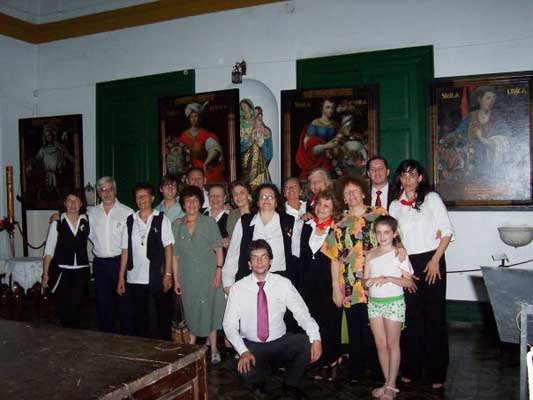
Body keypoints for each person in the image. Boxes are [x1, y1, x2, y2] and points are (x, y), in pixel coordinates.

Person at [223, 239, 322, 399]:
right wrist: (243, 351)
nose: (259, 261)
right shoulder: (238, 288)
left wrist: (316, 337)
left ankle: (291, 384)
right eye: (254, 257)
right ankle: (262, 377)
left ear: (270, 261)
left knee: (305, 342)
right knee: (247, 372)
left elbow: (302, 313)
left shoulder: (283, 284)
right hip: (253, 346)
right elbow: (228, 324)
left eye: (263, 257)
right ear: (249, 263)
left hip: (279, 342)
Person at [389, 159, 454, 390]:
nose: (407, 178)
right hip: (408, 263)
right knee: (412, 317)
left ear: (420, 177)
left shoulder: (431, 199)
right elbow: (392, 234)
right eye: (403, 174)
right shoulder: (395, 205)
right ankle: (412, 368)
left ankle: (437, 372)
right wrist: (399, 245)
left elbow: (447, 232)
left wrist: (435, 260)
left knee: (434, 316)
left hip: (432, 260)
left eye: (412, 174)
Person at [322, 176, 387, 384]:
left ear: (363, 192)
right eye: (347, 193)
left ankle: (379, 372)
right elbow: (334, 258)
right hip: (350, 286)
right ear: (344, 199)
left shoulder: (379, 214)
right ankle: (357, 370)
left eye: (355, 190)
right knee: (355, 330)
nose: (351, 195)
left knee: (377, 330)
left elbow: (395, 241)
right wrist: (335, 288)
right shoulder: (340, 223)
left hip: (377, 283)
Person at [172, 185, 226, 364]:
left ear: (200, 203)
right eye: (188, 201)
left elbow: (218, 249)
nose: (192, 204)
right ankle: (191, 349)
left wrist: (219, 271)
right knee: (191, 310)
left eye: (195, 200)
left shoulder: (209, 222)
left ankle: (214, 349)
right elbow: (175, 256)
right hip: (188, 276)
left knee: (209, 310)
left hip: (208, 273)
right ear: (183, 204)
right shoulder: (177, 226)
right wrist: (176, 279)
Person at [363, 215, 415, 400]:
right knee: (380, 344)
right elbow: (365, 281)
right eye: (379, 232)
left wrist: (388, 279)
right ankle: (387, 382)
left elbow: (408, 282)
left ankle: (392, 386)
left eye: (386, 232)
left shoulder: (398, 253)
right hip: (375, 304)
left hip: (393, 302)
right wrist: (367, 282)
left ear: (394, 234)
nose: (382, 236)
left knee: (393, 344)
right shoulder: (370, 254)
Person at [117, 183, 175, 339]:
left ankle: (161, 352)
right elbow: (125, 251)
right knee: (140, 319)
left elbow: (169, 248)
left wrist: (168, 274)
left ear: (152, 198)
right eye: (138, 196)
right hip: (134, 278)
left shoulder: (161, 219)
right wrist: (121, 277)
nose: (141, 199)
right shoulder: (130, 221)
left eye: (145, 195)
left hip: (155, 277)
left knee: (159, 318)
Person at [299, 190, 343, 381]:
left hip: (329, 284)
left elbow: (340, 259)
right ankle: (314, 359)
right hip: (308, 284)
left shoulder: (337, 229)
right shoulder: (307, 226)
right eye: (319, 204)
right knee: (311, 322)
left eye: (327, 205)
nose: (322, 208)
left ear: (334, 209)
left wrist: (337, 288)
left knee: (329, 322)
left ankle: (330, 360)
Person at [222, 183, 297, 291]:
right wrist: (228, 283)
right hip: (250, 281)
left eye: (271, 197)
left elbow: (295, 256)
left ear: (276, 202)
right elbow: (233, 254)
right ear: (257, 202)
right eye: (262, 197)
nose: (266, 199)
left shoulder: (289, 222)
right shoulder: (245, 222)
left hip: (280, 282)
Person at [89, 177, 133, 333]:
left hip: (120, 263)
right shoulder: (91, 213)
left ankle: (127, 342)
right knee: (103, 306)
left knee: (124, 305)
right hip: (100, 265)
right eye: (102, 190)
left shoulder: (127, 212)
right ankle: (105, 342)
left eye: (109, 189)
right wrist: (58, 217)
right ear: (98, 192)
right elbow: (74, 218)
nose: (106, 193)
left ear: (115, 190)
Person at [42, 189, 90, 328]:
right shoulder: (57, 222)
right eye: (70, 200)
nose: (73, 204)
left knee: (78, 310)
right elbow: (49, 250)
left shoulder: (86, 220)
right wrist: (45, 274)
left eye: (76, 201)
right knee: (64, 310)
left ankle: (76, 343)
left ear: (81, 204)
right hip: (62, 272)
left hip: (81, 271)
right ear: (64, 203)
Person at [178, 102, 225, 183]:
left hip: (206, 171)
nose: (193, 119)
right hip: (190, 171)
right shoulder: (184, 136)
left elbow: (214, 149)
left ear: (199, 117)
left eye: (196, 116)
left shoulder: (207, 134)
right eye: (191, 117)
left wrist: (206, 163)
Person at [295, 99, 340, 179]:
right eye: (327, 107)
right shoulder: (315, 124)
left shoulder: (336, 125)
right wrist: (325, 146)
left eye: (332, 108)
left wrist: (334, 148)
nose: (330, 110)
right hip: (317, 158)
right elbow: (307, 145)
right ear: (322, 109)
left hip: (331, 157)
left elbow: (338, 141)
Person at [240, 100, 273, 188]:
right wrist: (250, 140)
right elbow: (241, 145)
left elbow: (266, 136)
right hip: (247, 158)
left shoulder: (260, 125)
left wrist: (264, 134)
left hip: (259, 159)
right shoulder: (242, 126)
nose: (245, 109)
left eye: (246, 106)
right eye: (242, 108)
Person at [283, 177, 306, 258]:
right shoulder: (280, 213)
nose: (291, 189)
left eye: (294, 186)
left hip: (309, 257)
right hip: (289, 257)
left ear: (301, 191)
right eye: (287, 187)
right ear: (284, 193)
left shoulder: (310, 207)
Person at [204, 184, 229, 249]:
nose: (215, 198)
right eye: (212, 195)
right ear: (208, 197)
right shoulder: (200, 213)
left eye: (218, 196)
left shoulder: (231, 217)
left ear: (224, 198)